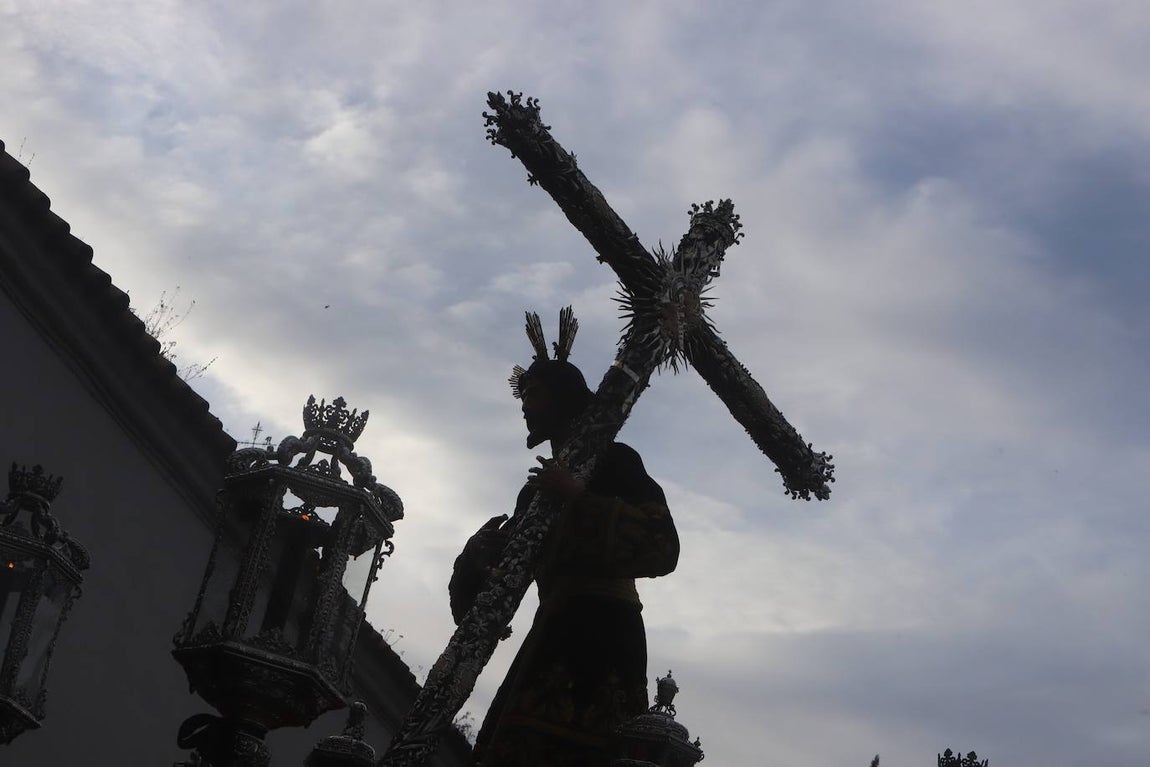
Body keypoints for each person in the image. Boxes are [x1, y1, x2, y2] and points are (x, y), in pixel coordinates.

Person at [449, 309, 679, 767]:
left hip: (606, 633)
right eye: (523, 396)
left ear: (563, 398)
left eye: (534, 394)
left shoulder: (615, 462)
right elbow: (501, 584)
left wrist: (578, 497)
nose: (524, 406)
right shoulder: (534, 494)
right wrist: (476, 560)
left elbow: (662, 546)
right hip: (550, 632)